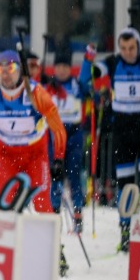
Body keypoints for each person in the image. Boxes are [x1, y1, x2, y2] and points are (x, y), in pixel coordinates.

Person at [79, 28, 140, 252]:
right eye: (123, 48)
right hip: (122, 129)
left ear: (139, 47)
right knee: (124, 182)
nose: (127, 53)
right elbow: (85, 79)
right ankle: (125, 229)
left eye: (131, 48)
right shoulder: (113, 63)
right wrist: (87, 59)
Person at [0, 50, 68, 274]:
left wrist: (59, 159)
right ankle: (4, 255)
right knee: (3, 204)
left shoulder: (35, 93)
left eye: (11, 69)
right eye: (0, 69)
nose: (5, 75)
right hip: (6, 155)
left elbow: (58, 128)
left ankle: (55, 251)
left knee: (42, 202)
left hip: (35, 155)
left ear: (20, 70)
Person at [46, 50, 92, 230]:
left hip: (74, 134)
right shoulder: (49, 86)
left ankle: (78, 210)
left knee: (74, 173)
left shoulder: (76, 84)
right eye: (59, 67)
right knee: (55, 174)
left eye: (65, 67)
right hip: (54, 136)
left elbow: (88, 91)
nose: (62, 70)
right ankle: (55, 209)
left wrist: (94, 94)